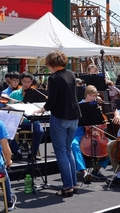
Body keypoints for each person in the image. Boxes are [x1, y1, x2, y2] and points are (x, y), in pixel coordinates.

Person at [34, 50, 81, 197]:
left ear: (52, 64)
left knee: (61, 152)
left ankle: (67, 187)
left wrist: (43, 109)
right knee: (68, 150)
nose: (48, 67)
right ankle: (72, 183)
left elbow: (52, 100)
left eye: (48, 64)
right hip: (74, 116)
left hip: (60, 117)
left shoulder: (53, 78)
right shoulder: (71, 74)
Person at [71, 85, 109, 183]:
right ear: (86, 95)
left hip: (95, 133)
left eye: (94, 95)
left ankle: (97, 169)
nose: (92, 98)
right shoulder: (79, 105)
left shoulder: (95, 106)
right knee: (74, 144)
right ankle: (84, 172)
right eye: (90, 95)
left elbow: (102, 123)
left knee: (111, 145)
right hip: (80, 133)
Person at [9, 71, 44, 161]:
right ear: (21, 81)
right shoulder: (14, 94)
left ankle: (32, 153)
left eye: (29, 82)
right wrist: (13, 105)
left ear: (31, 82)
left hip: (31, 120)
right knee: (7, 131)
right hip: (18, 120)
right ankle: (17, 152)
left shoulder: (36, 94)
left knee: (40, 131)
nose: (26, 84)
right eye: (24, 82)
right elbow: (9, 109)